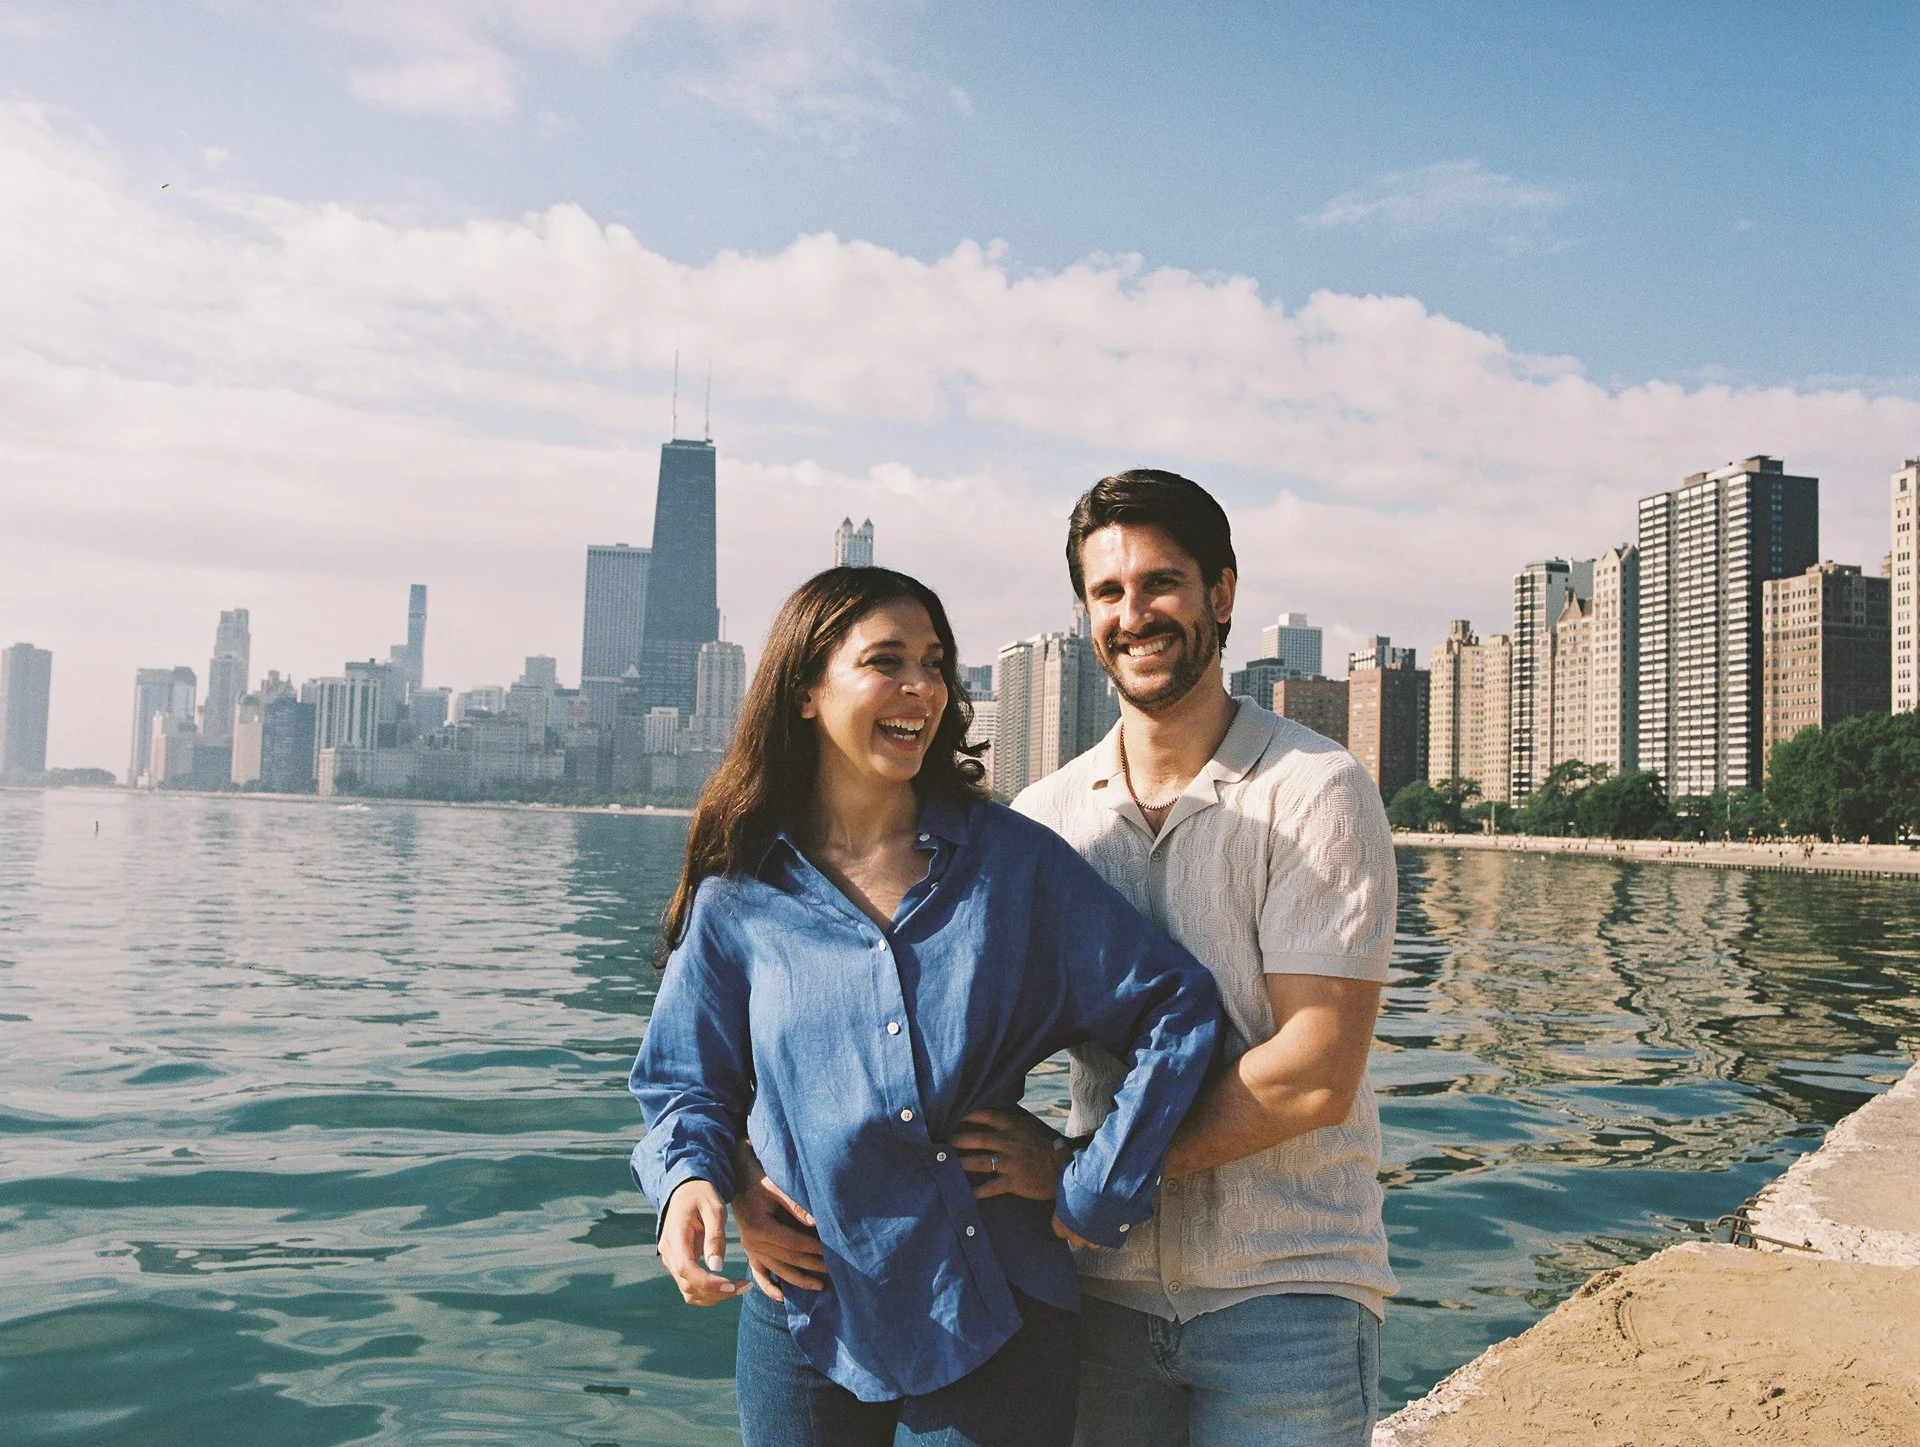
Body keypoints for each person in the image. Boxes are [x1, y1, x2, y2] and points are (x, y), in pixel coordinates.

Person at [737, 471, 1397, 1446]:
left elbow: (1315, 1073)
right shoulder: (1046, 817)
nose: (1135, 614)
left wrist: (1082, 1166)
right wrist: (757, 1179)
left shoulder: (1315, 791)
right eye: (1108, 592)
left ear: (1221, 593)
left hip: (1283, 1289)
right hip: (1103, 1292)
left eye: (1161, 584)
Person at [628, 565, 1222, 1447]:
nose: (923, 688)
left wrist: (1087, 1178)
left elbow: (1178, 1009)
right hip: (805, 1309)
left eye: (936, 662)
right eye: (888, 661)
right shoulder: (740, 896)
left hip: (992, 1308)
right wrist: (697, 1185)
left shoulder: (1016, 866)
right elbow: (686, 1082)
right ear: (804, 692)